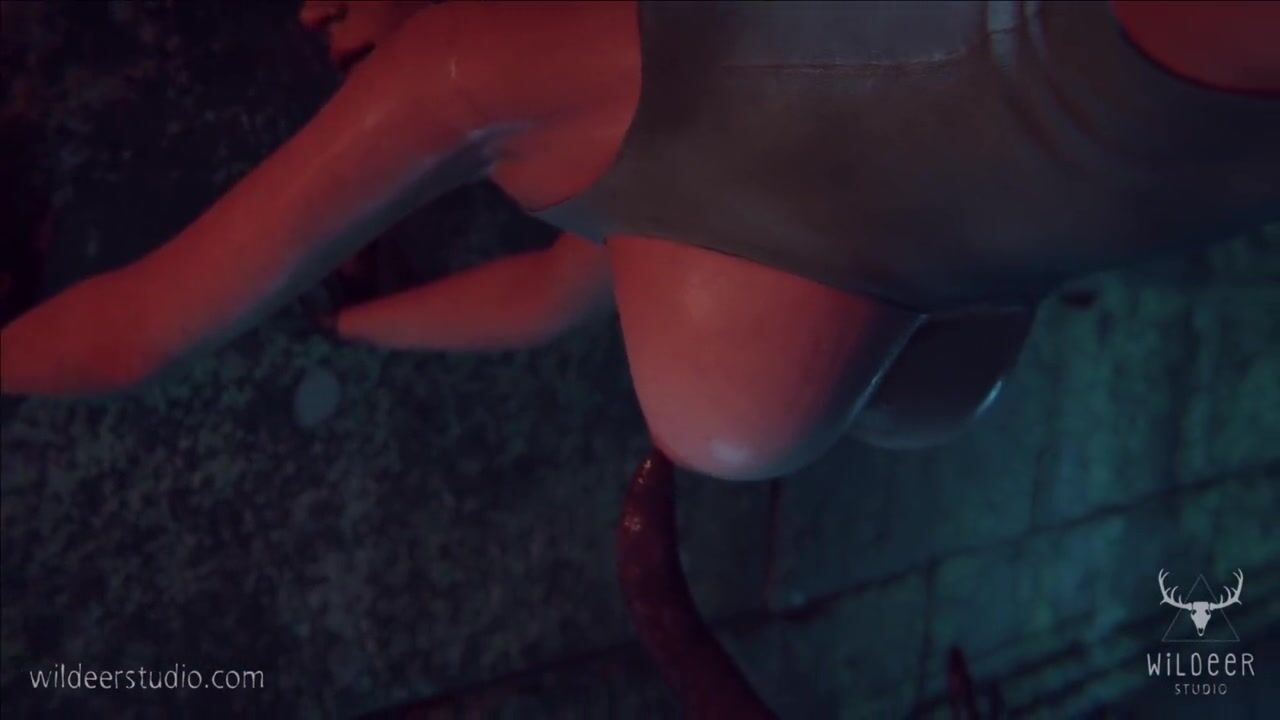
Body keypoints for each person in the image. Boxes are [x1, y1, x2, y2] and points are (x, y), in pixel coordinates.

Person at [1, 1, 1276, 481]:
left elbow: (142, 330)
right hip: (964, 301)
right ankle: (346, 317)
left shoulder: (471, 69)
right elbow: (548, 297)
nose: (331, 24)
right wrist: (344, 321)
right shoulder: (568, 103)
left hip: (859, 315)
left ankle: (344, 315)